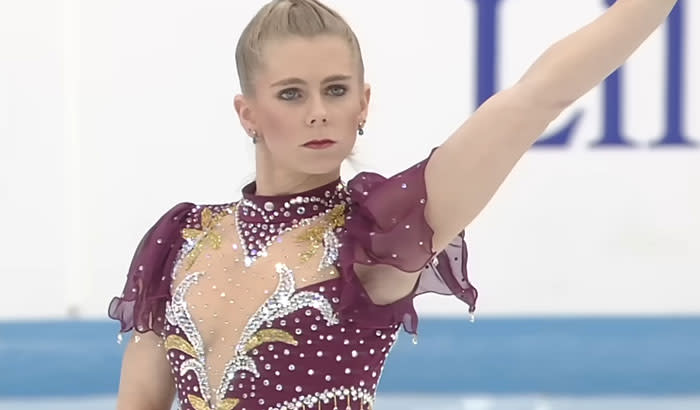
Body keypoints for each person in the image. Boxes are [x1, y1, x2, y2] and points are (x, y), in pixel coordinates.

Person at [108, 0, 679, 409]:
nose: (318, 111)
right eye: (291, 94)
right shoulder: (184, 238)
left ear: (363, 104)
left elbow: (534, 99)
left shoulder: (375, 234)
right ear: (247, 113)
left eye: (335, 90)